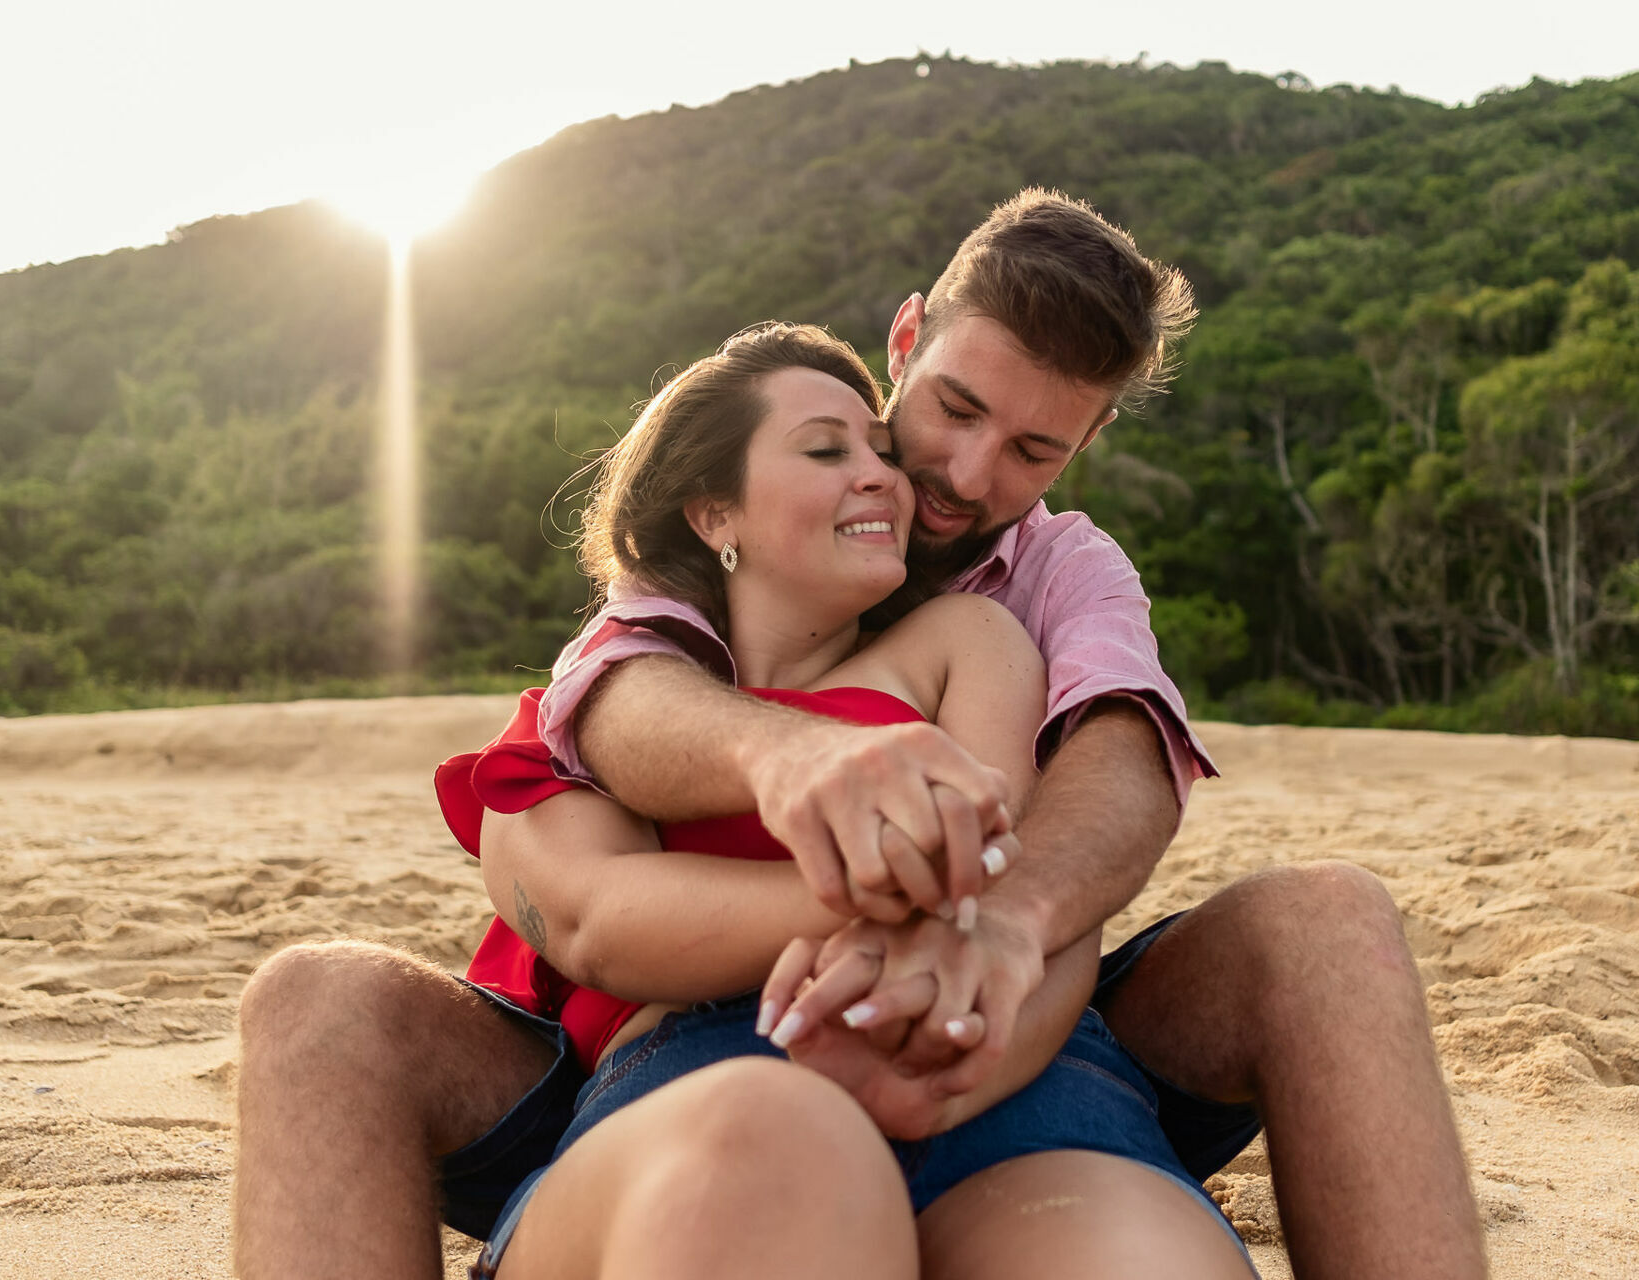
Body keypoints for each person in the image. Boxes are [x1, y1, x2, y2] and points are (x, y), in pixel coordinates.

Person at [233, 190, 1484, 1280]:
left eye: (1036, 449)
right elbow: (616, 723)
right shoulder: (697, 577)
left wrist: (987, 932)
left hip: (1019, 1012)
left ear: (1087, 444)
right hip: (686, 1039)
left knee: (1327, 923)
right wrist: (804, 765)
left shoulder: (1044, 584)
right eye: (950, 408)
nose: (963, 472)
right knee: (329, 998)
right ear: (907, 340)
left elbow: (1116, 760)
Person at [444, 321, 1257, 1278]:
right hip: (711, 1065)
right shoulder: (615, 698)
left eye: (880, 449)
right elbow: (596, 920)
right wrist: (893, 883)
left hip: (996, 1063)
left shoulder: (975, 638)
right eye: (827, 450)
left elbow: (1022, 878)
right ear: (715, 515)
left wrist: (962, 1054)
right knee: (763, 1158)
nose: (887, 476)